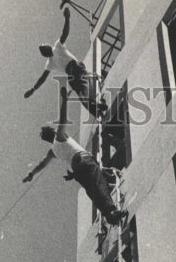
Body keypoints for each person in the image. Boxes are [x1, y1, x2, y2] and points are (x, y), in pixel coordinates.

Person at [22, 86, 127, 226]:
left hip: (77, 171)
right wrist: (64, 100)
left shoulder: (52, 151)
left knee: (93, 191)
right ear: (53, 131)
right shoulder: (59, 136)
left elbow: (42, 164)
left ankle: (109, 214)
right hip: (84, 161)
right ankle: (111, 210)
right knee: (99, 183)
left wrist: (31, 174)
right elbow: (63, 118)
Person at [24, 5, 108, 119]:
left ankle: (98, 104)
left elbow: (65, 33)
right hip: (71, 75)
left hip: (77, 68)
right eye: (43, 49)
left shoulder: (57, 46)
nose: (46, 47)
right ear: (44, 54)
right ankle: (96, 111)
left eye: (44, 45)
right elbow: (42, 78)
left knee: (86, 88)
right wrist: (33, 89)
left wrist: (67, 18)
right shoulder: (50, 63)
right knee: (82, 95)